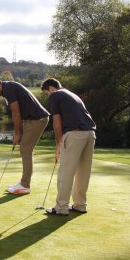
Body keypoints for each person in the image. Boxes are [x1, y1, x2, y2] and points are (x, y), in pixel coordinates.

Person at [0, 77, 49, 194]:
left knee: (25, 149)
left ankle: (25, 185)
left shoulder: (8, 89)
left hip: (37, 119)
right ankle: (23, 183)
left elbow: (16, 113)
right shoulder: (7, 88)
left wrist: (17, 133)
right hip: (31, 119)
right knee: (25, 149)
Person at [41, 78, 96, 216]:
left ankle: (61, 207)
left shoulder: (55, 95)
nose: (48, 96)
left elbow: (57, 122)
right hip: (90, 134)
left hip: (74, 135)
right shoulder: (71, 94)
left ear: (51, 88)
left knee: (66, 172)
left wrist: (58, 144)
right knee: (83, 172)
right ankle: (80, 205)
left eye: (47, 93)